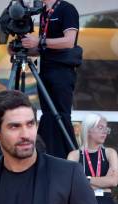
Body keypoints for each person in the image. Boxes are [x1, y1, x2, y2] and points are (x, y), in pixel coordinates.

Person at [21, 0, 80, 158]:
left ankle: (69, 157)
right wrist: (22, 48)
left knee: (60, 114)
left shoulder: (67, 9)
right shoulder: (43, 12)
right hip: (46, 69)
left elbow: (69, 41)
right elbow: (44, 48)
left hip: (62, 71)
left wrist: (39, 41)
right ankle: (46, 154)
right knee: (47, 115)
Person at [68, 113, 118, 204]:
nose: (105, 131)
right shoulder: (74, 155)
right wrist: (104, 182)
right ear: (89, 129)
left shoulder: (110, 153)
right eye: (100, 127)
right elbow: (70, 184)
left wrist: (85, 179)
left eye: (106, 128)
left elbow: (114, 181)